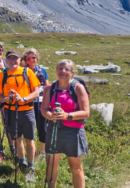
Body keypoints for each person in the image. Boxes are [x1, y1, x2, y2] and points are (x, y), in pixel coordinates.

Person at [41, 59, 89, 188]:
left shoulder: (78, 88)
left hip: (73, 132)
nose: (63, 71)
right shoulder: (49, 89)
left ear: (72, 72)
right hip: (54, 129)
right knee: (50, 166)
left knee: (76, 168)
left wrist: (67, 115)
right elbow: (44, 109)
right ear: (56, 70)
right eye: (60, 68)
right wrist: (50, 115)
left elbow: (86, 112)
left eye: (67, 69)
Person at [0, 50, 40, 182]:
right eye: (10, 59)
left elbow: (36, 92)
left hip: (27, 110)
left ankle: (31, 167)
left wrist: (23, 99)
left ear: (20, 60)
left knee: (29, 140)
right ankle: (22, 162)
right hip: (10, 111)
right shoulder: (3, 75)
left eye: (15, 59)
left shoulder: (27, 72)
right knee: (17, 139)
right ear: (6, 61)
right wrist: (7, 98)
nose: (13, 61)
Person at [21, 48, 49, 157]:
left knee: (42, 127)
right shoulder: (23, 71)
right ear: (25, 59)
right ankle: (31, 150)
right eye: (28, 58)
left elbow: (47, 87)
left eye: (33, 58)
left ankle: (42, 151)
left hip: (41, 101)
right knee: (29, 127)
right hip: (28, 101)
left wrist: (49, 101)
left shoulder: (42, 70)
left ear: (37, 58)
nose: (31, 60)